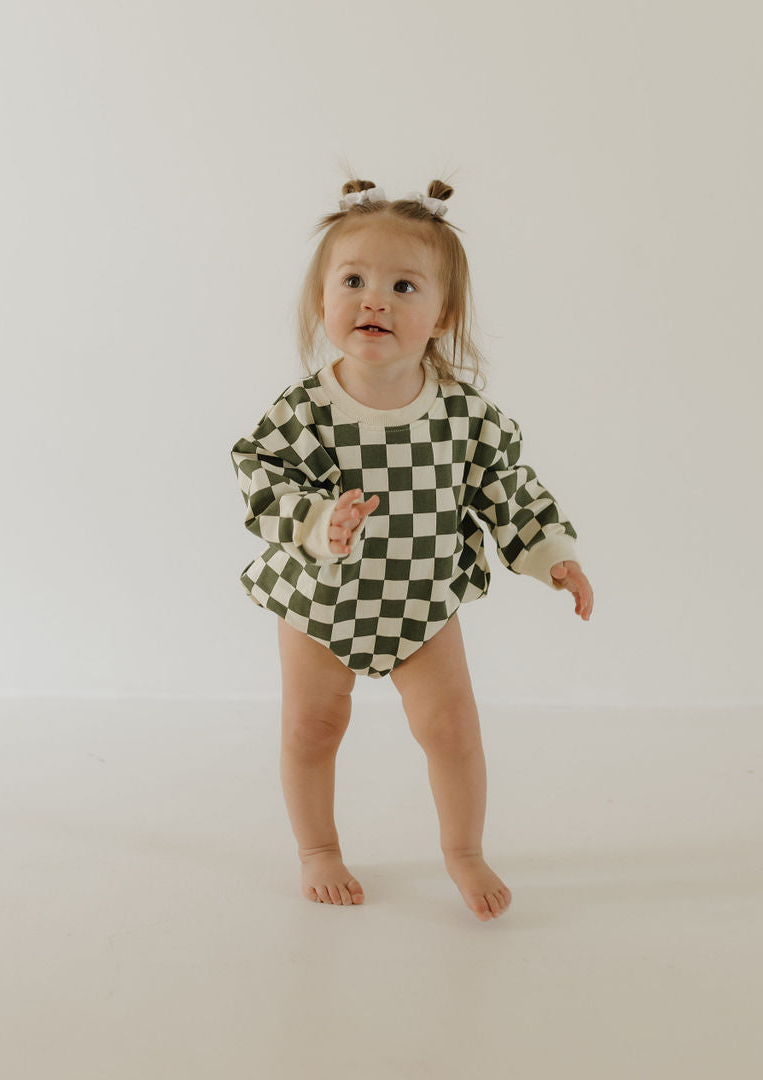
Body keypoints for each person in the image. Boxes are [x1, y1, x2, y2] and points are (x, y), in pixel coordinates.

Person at [230, 176, 594, 922]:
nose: (375, 301)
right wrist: (317, 519)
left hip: (422, 602)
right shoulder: (305, 411)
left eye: (403, 285)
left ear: (442, 315)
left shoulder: (463, 415)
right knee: (311, 727)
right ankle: (317, 849)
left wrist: (549, 551)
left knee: (452, 729)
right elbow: (262, 478)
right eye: (354, 280)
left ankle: (463, 849)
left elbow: (506, 485)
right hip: (320, 601)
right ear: (321, 301)